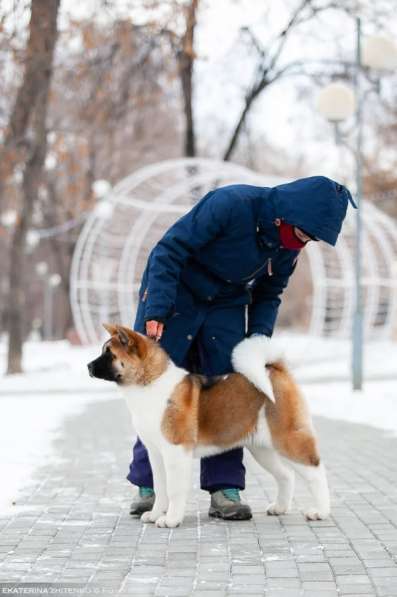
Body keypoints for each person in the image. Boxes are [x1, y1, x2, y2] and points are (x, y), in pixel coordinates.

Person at [127, 176, 355, 520]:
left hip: (226, 303)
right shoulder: (230, 204)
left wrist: (257, 341)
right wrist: (157, 308)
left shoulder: (288, 247)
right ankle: (149, 486)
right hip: (177, 293)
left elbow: (269, 293)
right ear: (285, 217)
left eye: (310, 240)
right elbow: (169, 250)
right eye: (303, 235)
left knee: (229, 390)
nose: (303, 243)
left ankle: (224, 487)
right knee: (158, 392)